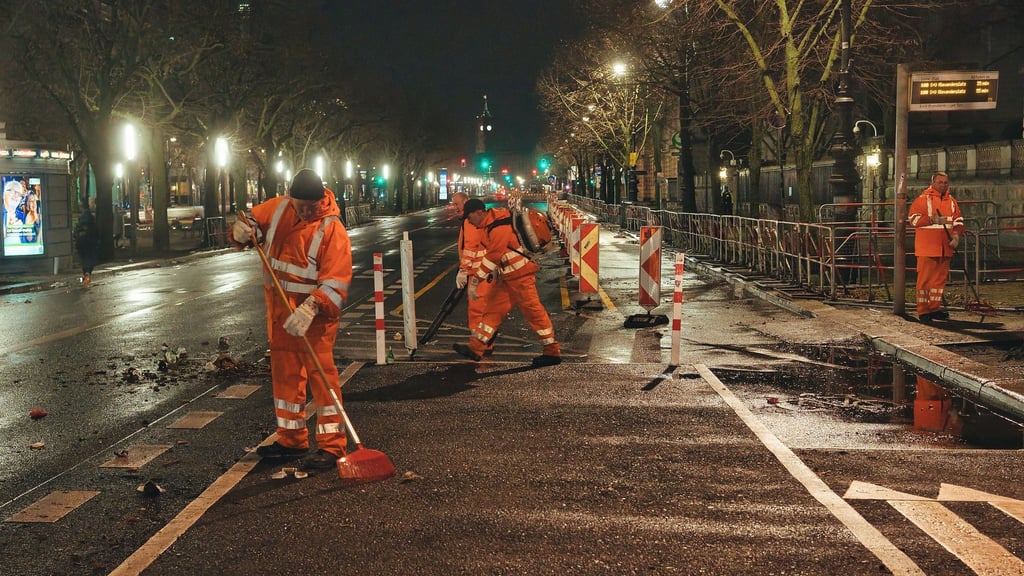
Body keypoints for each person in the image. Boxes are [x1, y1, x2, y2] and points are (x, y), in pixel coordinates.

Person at [230, 169, 353, 471]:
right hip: (281, 314)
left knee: (323, 381)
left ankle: (332, 446)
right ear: (291, 198)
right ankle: (292, 439)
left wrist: (311, 307)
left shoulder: (331, 229)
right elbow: (251, 224)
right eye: (301, 206)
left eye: (311, 206)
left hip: (314, 320)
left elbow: (336, 283)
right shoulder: (281, 206)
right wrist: (241, 231)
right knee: (285, 379)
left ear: (322, 198)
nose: (306, 211)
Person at [453, 198, 561, 367]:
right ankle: (476, 347)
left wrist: (476, 280)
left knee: (534, 312)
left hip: (521, 276)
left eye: (470, 217)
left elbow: (493, 255)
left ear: (479, 213)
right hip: (508, 277)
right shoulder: (489, 225)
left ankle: (552, 350)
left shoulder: (498, 225)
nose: (468, 221)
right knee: (492, 311)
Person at [908, 171, 963, 321]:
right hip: (927, 247)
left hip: (946, 247)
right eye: (940, 182)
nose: (943, 185)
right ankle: (923, 311)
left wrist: (956, 237)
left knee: (939, 282)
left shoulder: (951, 201)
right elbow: (913, 219)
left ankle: (934, 308)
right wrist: (931, 219)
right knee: (925, 281)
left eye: (945, 182)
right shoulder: (922, 200)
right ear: (933, 183)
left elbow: (958, 221)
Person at [450, 192, 494, 355]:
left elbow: (470, 247)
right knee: (484, 310)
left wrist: (463, 270)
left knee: (477, 310)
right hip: (481, 271)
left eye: (457, 204)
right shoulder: (471, 220)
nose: (455, 208)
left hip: (478, 272)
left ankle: (479, 346)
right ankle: (484, 344)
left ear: (466, 202)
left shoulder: (470, 222)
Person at [74, 201, 99, 287]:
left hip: (82, 242)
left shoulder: (81, 219)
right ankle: (88, 273)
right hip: (90, 242)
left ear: (82, 207)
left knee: (84, 259)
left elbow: (76, 230)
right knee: (91, 259)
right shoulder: (91, 218)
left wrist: (76, 238)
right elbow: (95, 230)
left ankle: (85, 274)